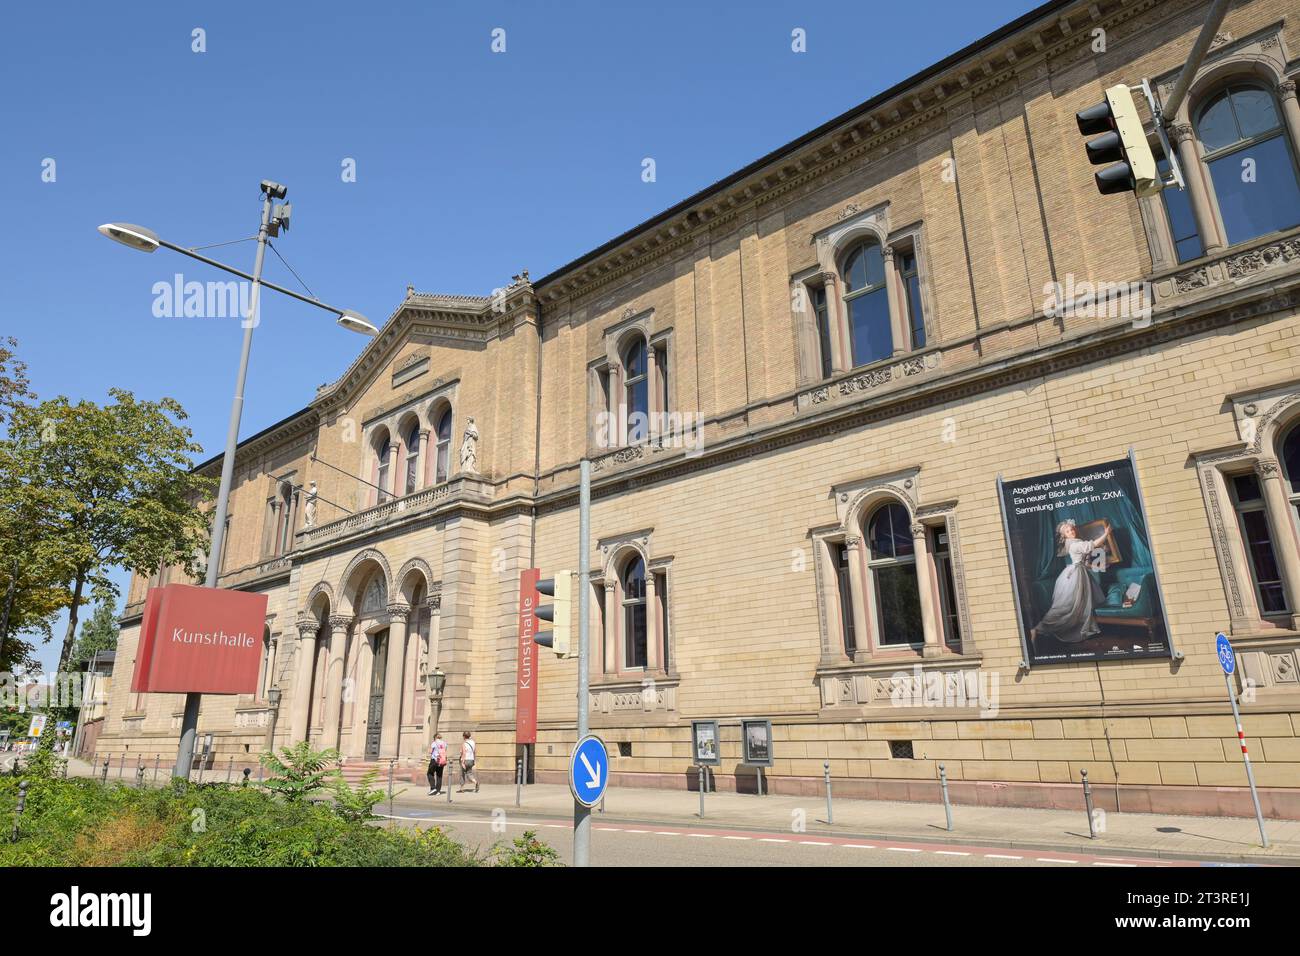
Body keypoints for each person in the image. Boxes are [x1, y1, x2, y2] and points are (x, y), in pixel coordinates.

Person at [1031, 519, 1109, 646]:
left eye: (1071, 529)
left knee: (1082, 604)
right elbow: (1092, 545)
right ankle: (1038, 629)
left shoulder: (1076, 542)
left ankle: (1041, 628)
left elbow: (1085, 563)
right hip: (1075, 575)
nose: (1071, 531)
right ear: (1065, 535)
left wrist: (1100, 567)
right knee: (1066, 606)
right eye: (1067, 531)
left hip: (1080, 572)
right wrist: (1106, 534)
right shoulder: (1073, 544)